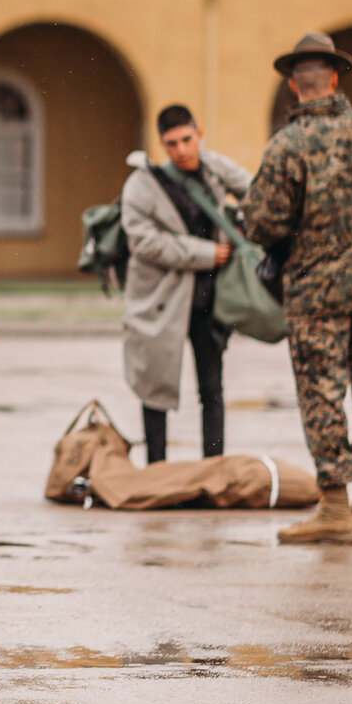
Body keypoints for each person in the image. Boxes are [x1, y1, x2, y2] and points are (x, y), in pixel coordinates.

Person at [240, 32, 352, 547]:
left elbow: (260, 224)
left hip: (316, 294)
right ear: (336, 78)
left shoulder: (288, 146)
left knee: (323, 395)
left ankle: (335, 509)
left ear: (293, 84)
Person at [120, 105, 250, 461]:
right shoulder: (143, 185)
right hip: (161, 300)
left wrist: (241, 224)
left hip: (209, 301)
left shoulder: (215, 169)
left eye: (187, 140)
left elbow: (259, 194)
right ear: (162, 144)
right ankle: (157, 471)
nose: (181, 149)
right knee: (155, 388)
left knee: (212, 389)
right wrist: (208, 253)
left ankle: (214, 469)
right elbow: (144, 242)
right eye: (172, 143)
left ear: (199, 134)